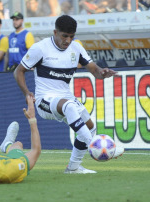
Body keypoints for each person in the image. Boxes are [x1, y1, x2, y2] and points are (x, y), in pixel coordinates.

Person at [14, 15, 124, 174]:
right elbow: (18, 72)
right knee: (69, 106)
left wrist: (102, 72)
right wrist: (26, 93)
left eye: (71, 36)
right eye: (64, 36)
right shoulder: (41, 48)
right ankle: (98, 146)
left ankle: (73, 167)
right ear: (55, 32)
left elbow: (94, 70)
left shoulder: (76, 48)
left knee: (90, 127)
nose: (67, 40)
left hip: (65, 98)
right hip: (44, 100)